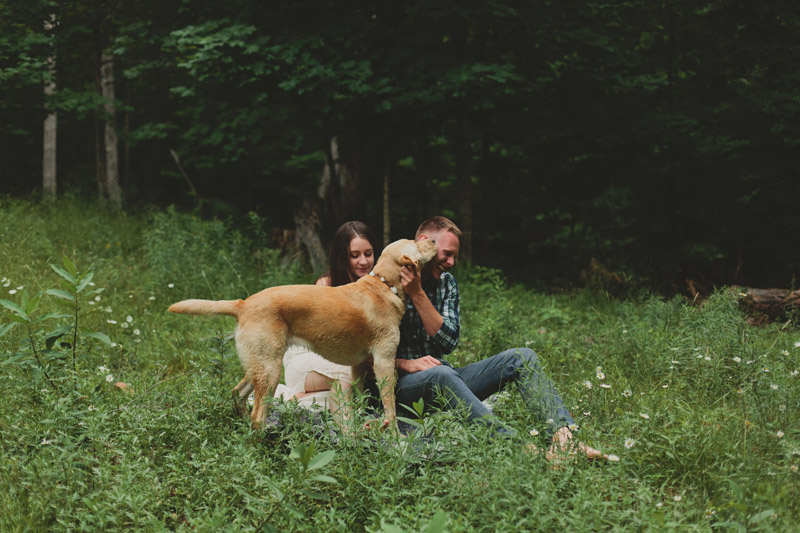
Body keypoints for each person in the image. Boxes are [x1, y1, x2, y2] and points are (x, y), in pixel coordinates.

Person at [393, 216, 614, 462]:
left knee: (522, 357)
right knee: (442, 374)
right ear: (424, 242)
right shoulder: (387, 281)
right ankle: (521, 449)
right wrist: (404, 363)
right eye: (447, 253)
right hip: (402, 389)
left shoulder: (447, 284)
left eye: (455, 255)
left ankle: (565, 439)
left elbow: (448, 342)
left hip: (446, 381)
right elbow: (364, 356)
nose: (452, 262)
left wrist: (418, 294)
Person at [272, 221, 379, 414]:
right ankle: (348, 436)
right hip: (308, 359)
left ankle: (289, 400)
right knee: (350, 372)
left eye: (368, 254)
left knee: (344, 398)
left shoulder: (376, 287)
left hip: (345, 367)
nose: (363, 261)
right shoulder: (326, 285)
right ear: (342, 256)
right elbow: (328, 341)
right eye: (355, 255)